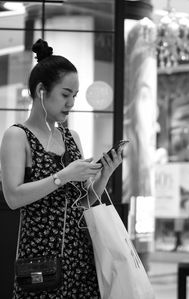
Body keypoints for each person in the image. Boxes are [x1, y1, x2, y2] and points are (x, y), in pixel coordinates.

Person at [0, 39, 123, 299]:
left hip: (81, 259)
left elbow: (84, 201)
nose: (71, 103)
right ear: (42, 91)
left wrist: (104, 174)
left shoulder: (71, 137)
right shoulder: (17, 136)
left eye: (74, 96)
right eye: (65, 94)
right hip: (40, 261)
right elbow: (12, 197)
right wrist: (63, 176)